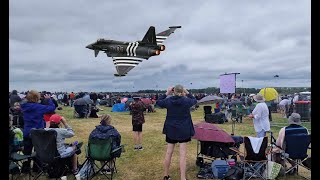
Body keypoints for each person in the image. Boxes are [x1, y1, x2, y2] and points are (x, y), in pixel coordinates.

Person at [156, 85, 197, 180]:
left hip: (171, 129)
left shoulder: (168, 100)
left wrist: (167, 93)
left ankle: (165, 175)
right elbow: (194, 100)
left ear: (173, 91)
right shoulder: (186, 101)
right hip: (184, 129)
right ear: (182, 91)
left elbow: (158, 102)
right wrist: (187, 92)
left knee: (168, 153)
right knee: (182, 155)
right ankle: (183, 178)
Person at [20, 90, 56, 172]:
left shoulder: (24, 106)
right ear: (37, 98)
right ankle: (37, 168)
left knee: (27, 152)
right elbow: (52, 108)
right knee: (38, 151)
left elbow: (22, 102)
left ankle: (25, 168)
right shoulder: (39, 107)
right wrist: (49, 99)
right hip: (38, 132)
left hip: (27, 131)